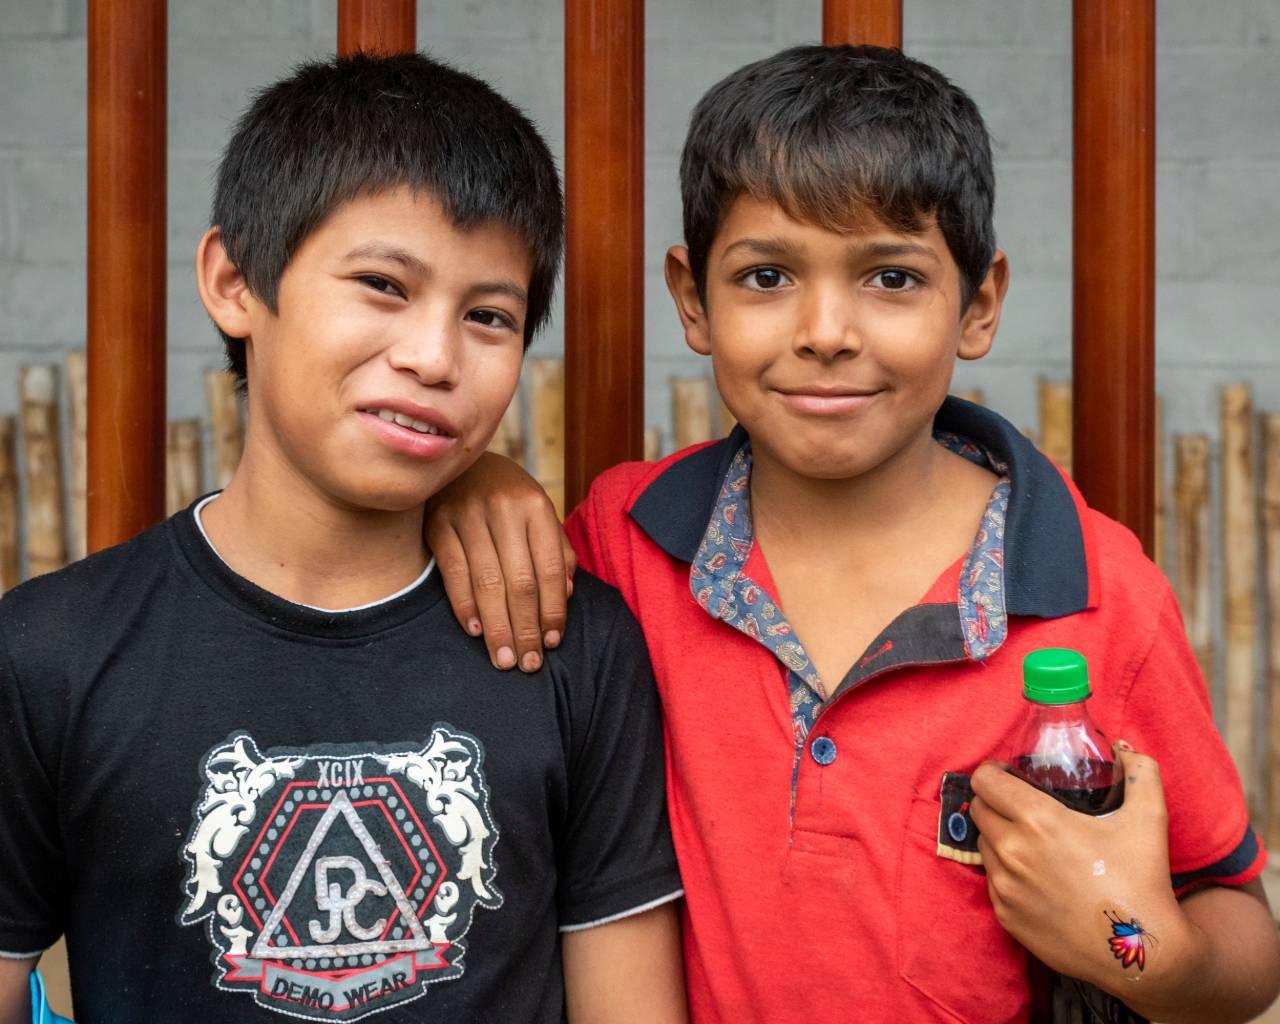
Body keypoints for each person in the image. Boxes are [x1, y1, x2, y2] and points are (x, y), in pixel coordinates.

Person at [423, 44, 1280, 1023]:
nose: (825, 329)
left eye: (888, 278)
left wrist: (1137, 948)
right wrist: (470, 477)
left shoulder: (1094, 592)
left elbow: (1234, 928)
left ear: (980, 303)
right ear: (692, 298)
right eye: (766, 275)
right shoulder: (625, 543)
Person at [0, 53, 686, 1024]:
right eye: (381, 284)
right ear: (234, 280)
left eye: (488, 315)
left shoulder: (576, 647)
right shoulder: (49, 655)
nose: (432, 355)